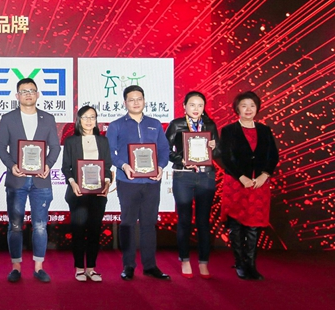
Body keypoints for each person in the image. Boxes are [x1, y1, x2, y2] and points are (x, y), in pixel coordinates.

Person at [0, 78, 60, 283]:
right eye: (24, 91)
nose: (28, 94)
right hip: (17, 180)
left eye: (32, 90)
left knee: (40, 225)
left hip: (41, 180)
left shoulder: (48, 118)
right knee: (15, 225)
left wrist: (48, 165)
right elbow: (0, 147)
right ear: (17, 96)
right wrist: (11, 165)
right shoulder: (8, 118)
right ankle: (16, 266)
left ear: (38, 94)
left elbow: (55, 147)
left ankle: (39, 267)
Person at [106, 85, 171, 281]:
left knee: (149, 223)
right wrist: (123, 165)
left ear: (144, 101)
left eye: (139, 99)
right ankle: (128, 265)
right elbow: (109, 153)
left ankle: (150, 266)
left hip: (151, 182)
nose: (136, 102)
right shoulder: (116, 125)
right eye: (131, 99)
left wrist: (160, 167)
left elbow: (164, 150)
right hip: (127, 181)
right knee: (127, 223)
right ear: (125, 103)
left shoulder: (155, 124)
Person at [218, 91, 279, 280]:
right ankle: (240, 263)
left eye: (252, 105)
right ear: (237, 109)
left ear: (257, 108)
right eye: (244, 105)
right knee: (236, 224)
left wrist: (265, 175)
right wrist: (241, 177)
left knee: (254, 225)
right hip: (236, 183)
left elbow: (273, 156)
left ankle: (251, 264)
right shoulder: (229, 130)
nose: (248, 109)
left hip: (259, 183)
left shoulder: (264, 130)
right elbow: (226, 158)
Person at [165, 91, 219, 279]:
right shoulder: (176, 124)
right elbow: (164, 149)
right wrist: (181, 160)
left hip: (206, 175)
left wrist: (214, 147)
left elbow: (218, 152)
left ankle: (204, 262)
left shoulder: (210, 125)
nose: (196, 109)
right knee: (184, 219)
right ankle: (185, 259)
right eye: (192, 105)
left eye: (200, 105)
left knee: (203, 221)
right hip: (183, 175)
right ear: (184, 106)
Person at [61, 106, 112, 282]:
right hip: (78, 193)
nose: (89, 121)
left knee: (94, 231)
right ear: (79, 120)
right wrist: (73, 183)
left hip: (98, 194)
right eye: (85, 117)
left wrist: (107, 182)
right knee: (78, 231)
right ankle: (79, 268)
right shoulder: (71, 141)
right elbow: (66, 167)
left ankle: (91, 268)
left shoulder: (103, 141)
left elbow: (107, 166)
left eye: (92, 117)